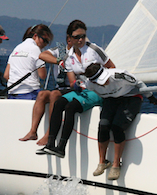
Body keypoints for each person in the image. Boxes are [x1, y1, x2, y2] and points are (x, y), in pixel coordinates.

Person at [36, 20, 116, 156]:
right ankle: (50, 144)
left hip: (97, 90)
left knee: (70, 107)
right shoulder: (68, 56)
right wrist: (77, 85)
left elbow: (112, 67)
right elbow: (72, 81)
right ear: (70, 38)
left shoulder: (94, 50)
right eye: (77, 37)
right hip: (82, 90)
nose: (80, 40)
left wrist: (100, 83)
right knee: (59, 103)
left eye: (83, 36)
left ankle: (61, 147)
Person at [81, 62, 157, 180]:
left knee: (117, 127)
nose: (104, 83)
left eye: (104, 80)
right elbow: (84, 88)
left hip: (130, 97)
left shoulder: (119, 75)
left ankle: (116, 164)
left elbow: (138, 83)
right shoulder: (90, 84)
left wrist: (150, 96)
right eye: (100, 82)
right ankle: (102, 162)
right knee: (103, 126)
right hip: (111, 99)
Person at [19, 29, 72, 142]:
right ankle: (33, 131)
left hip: (73, 88)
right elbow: (43, 55)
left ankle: (49, 133)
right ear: (68, 39)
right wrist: (59, 61)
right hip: (60, 88)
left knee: (54, 94)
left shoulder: (83, 53)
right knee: (42, 94)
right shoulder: (60, 50)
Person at [3, 24, 53, 100]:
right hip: (30, 93)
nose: (45, 44)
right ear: (35, 36)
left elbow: (6, 75)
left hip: (12, 93)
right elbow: (42, 75)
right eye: (45, 40)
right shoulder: (36, 49)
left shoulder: (16, 48)